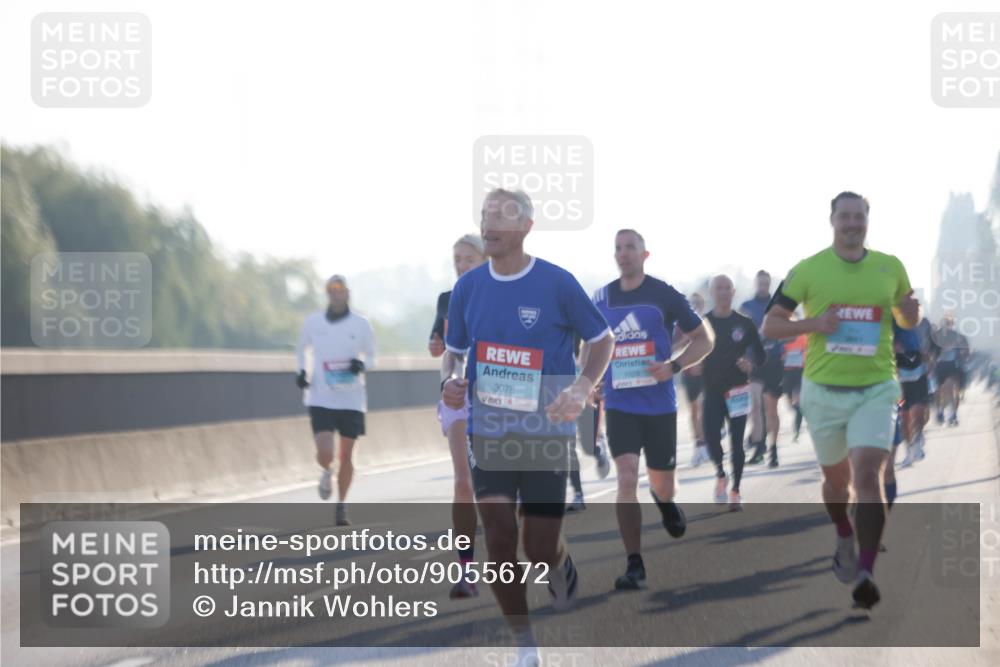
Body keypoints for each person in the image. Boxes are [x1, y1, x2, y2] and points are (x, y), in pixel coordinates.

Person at [441, 189, 614, 665]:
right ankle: (524, 642)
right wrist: (450, 384)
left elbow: (603, 341)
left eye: (501, 215)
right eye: (484, 215)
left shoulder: (556, 283)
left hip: (545, 431)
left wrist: (581, 388)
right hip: (488, 428)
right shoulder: (468, 288)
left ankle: (557, 562)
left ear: (526, 227)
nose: (489, 223)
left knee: (537, 547)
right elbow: (454, 355)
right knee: (497, 533)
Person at [763, 191, 920, 610]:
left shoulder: (891, 267)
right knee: (837, 483)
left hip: (876, 387)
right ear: (832, 220)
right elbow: (771, 326)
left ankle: (866, 572)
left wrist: (909, 312)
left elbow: (906, 318)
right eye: (845, 216)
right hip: (823, 391)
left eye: (859, 217)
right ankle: (844, 532)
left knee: (868, 475)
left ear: (868, 220)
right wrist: (816, 322)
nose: (852, 223)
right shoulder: (808, 269)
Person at [592, 229, 713, 590]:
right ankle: (634, 563)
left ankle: (665, 504)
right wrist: (591, 379)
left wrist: (673, 366)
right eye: (618, 248)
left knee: (662, 485)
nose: (623, 253)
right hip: (620, 404)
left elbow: (704, 338)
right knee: (626, 477)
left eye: (631, 248)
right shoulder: (601, 298)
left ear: (645, 255)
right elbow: (592, 344)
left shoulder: (664, 294)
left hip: (659, 405)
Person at [429, 234, 487, 598]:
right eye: (457, 259)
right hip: (455, 394)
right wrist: (440, 354)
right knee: (463, 481)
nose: (462, 265)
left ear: (484, 259)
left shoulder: (499, 297)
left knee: (497, 488)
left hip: (495, 393)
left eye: (468, 258)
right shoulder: (447, 299)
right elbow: (440, 344)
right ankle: (466, 571)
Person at [295, 275, 376, 526]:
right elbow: (301, 349)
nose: (336, 293)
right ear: (327, 293)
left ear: (348, 293)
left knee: (347, 454)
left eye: (340, 289)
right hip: (321, 395)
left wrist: (360, 364)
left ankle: (342, 505)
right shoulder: (313, 322)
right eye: (331, 289)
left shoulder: (361, 324)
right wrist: (301, 372)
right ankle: (326, 470)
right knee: (325, 451)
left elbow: (372, 357)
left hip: (351, 398)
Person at [702, 274, 765, 510]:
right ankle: (720, 474)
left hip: (738, 389)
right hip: (712, 390)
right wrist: (693, 364)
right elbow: (692, 348)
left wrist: (751, 364)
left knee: (737, 442)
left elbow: (760, 354)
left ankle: (736, 490)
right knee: (710, 438)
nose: (723, 292)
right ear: (712, 292)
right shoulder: (704, 322)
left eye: (727, 288)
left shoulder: (744, 323)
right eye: (719, 288)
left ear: (734, 291)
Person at [740, 270, 773, 462]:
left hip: (774, 360)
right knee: (755, 405)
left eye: (766, 283)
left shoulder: (776, 305)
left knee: (770, 407)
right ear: (756, 283)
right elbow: (739, 333)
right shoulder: (747, 307)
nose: (763, 287)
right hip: (754, 361)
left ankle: (766, 442)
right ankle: (759, 447)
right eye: (760, 283)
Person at [676, 292, 710, 466]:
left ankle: (705, 441)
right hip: (688, 373)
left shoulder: (706, 324)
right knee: (694, 410)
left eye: (699, 302)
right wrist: (684, 341)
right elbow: (674, 347)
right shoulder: (682, 325)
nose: (696, 305)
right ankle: (698, 443)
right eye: (693, 302)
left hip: (705, 373)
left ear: (703, 305)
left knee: (705, 408)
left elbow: (711, 347)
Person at [895, 321, 931, 467]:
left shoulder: (921, 324)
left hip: (919, 377)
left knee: (919, 412)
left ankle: (917, 441)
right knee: (904, 416)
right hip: (900, 380)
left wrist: (926, 359)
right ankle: (909, 452)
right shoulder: (890, 321)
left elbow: (928, 354)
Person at [933, 315, 969, 427]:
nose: (947, 326)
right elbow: (930, 351)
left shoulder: (958, 337)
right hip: (940, 365)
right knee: (940, 391)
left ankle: (953, 414)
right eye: (945, 323)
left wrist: (963, 355)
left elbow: (966, 351)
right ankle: (940, 411)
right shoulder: (936, 336)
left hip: (954, 366)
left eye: (949, 323)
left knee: (952, 388)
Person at [782, 332, 808, 443]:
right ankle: (799, 412)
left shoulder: (804, 338)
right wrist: (783, 357)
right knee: (790, 404)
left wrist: (804, 353)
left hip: (801, 371)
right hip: (788, 373)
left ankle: (796, 430)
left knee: (798, 403)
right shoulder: (782, 339)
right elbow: (779, 355)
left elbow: (811, 350)